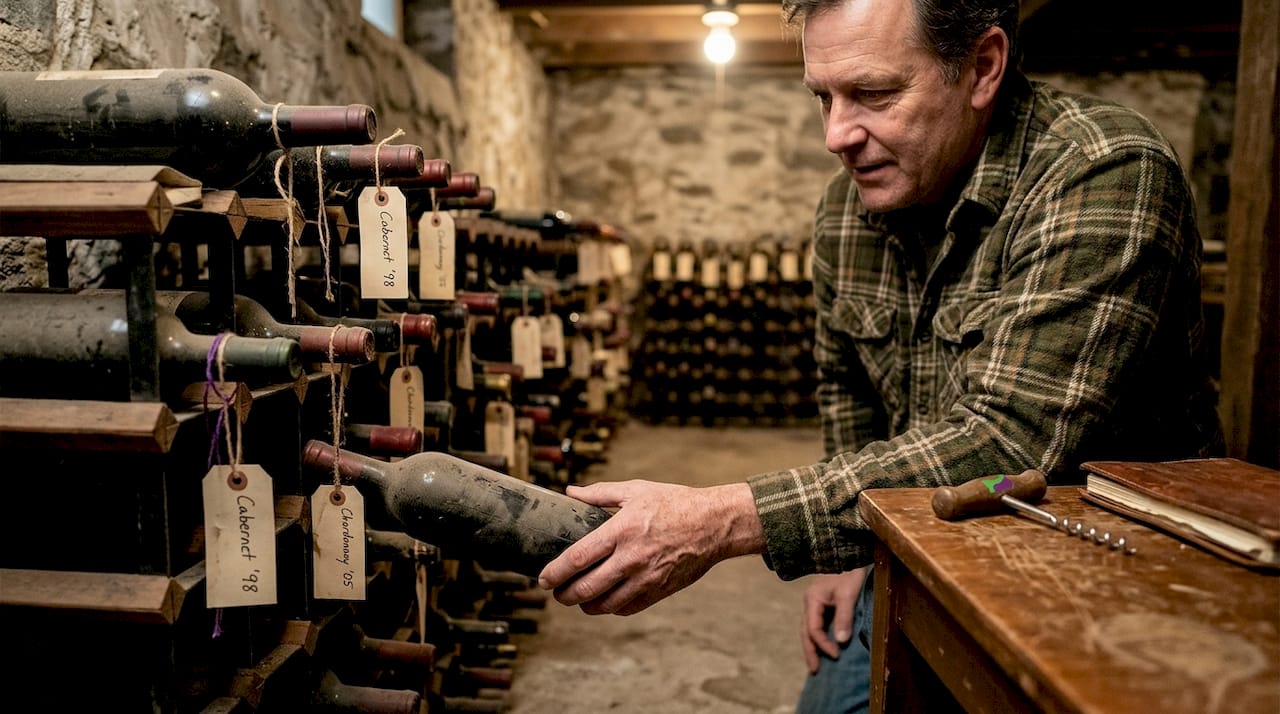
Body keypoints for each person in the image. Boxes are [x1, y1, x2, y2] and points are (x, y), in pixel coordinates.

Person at [537, 0, 1225, 711]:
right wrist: (846, 550)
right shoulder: (847, 209)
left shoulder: (1104, 171)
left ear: (982, 67)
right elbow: (848, 389)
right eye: (822, 98)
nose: (837, 135)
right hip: (918, 545)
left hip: (1107, 572)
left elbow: (1010, 439)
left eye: (873, 94)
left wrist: (722, 519)